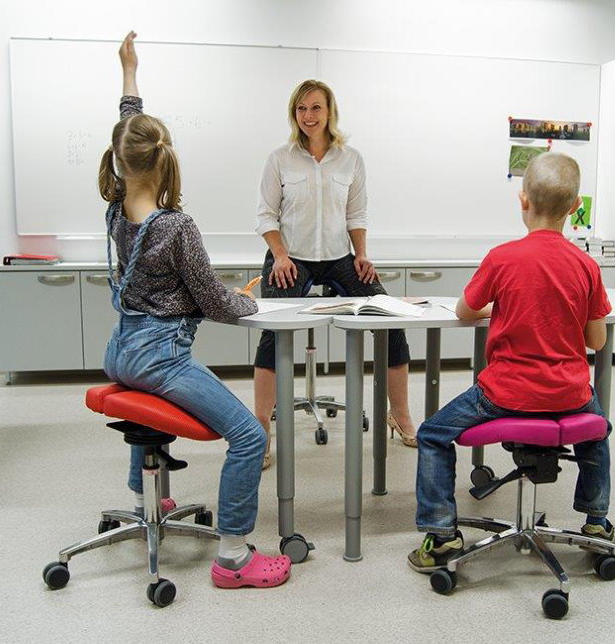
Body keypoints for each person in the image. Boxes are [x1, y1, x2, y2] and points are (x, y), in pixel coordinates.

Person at [100, 31, 291, 589]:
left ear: (120, 162)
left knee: (157, 401)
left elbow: (127, 132)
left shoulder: (116, 210)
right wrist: (249, 300)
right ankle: (233, 556)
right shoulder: (176, 225)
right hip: (159, 357)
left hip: (121, 351)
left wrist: (129, 74)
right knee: (251, 436)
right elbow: (213, 301)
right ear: (165, 161)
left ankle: (149, 498)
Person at [408, 152, 615, 573]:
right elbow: (597, 340)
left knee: (431, 433)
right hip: (569, 394)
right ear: (575, 207)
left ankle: (443, 536)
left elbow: (466, 310)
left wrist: (495, 311)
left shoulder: (503, 257)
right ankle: (595, 523)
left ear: (523, 201)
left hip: (507, 392)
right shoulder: (586, 265)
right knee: (598, 430)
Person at [253, 79, 416, 468]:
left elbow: (355, 214)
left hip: (340, 256)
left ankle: (401, 414)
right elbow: (266, 214)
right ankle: (260, 428)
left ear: (330, 112)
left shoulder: (351, 159)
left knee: (391, 318)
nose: (309, 116)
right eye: (301, 109)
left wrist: (362, 254)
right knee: (272, 331)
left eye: (316, 108)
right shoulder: (280, 158)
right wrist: (278, 255)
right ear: (294, 114)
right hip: (290, 256)